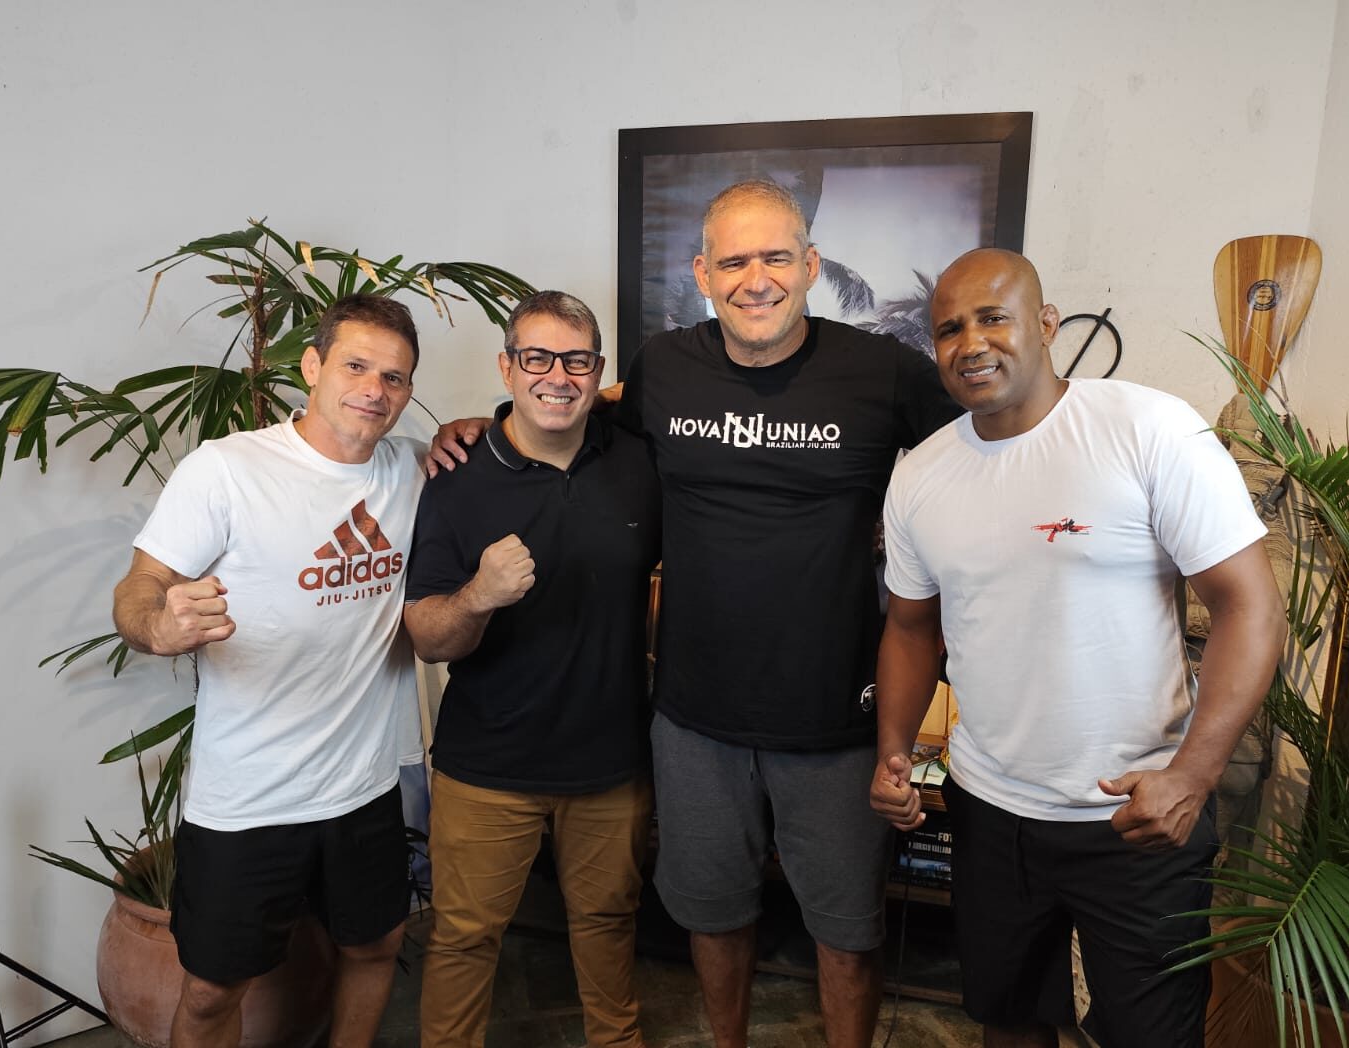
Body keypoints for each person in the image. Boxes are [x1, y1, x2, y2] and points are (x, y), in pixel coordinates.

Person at [429, 181, 960, 1048]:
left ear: (810, 265)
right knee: (713, 912)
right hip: (693, 720)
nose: (758, 279)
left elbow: (981, 449)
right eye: (735, 261)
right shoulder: (666, 365)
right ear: (703, 273)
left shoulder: (884, 372)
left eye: (777, 257)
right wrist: (481, 427)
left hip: (835, 720)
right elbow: (579, 407)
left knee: (847, 930)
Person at [870, 248, 1286, 1048]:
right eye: (949, 329)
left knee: (1151, 1036)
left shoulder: (1147, 428)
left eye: (994, 317)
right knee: (1009, 1020)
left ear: (1047, 324)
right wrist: (894, 749)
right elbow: (911, 627)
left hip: (1135, 813)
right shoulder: (922, 475)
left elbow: (1251, 606)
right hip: (990, 809)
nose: (971, 343)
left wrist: (1192, 776)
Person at [112, 294, 427, 1048]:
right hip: (249, 797)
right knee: (211, 990)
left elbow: (507, 429)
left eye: (394, 377)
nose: (374, 390)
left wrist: (473, 427)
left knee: (375, 946)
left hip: (365, 786)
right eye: (356, 366)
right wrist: (160, 626)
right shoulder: (227, 470)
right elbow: (139, 587)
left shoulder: (413, 466)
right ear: (312, 367)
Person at [404, 291, 661, 1048]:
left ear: (598, 370)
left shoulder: (640, 462)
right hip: (488, 766)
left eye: (576, 360)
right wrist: (478, 596)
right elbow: (427, 636)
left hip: (611, 761)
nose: (558, 376)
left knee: (610, 924)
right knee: (462, 938)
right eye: (538, 358)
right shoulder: (456, 478)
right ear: (507, 367)